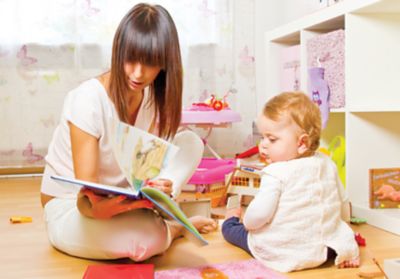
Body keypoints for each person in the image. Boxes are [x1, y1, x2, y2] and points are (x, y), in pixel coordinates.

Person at [40, 3, 217, 261]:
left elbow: (142, 167)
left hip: (123, 196)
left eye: (150, 63)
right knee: (142, 239)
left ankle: (163, 214)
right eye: (130, 59)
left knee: (191, 142)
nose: (138, 73)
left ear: (165, 63)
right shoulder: (88, 99)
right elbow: (88, 203)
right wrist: (135, 205)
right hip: (73, 207)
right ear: (118, 51)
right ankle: (172, 228)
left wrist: (157, 188)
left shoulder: (152, 98)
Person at [222, 92, 359, 272]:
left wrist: (246, 221)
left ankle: (230, 218)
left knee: (233, 230)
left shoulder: (276, 172)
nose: (263, 145)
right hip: (323, 250)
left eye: (272, 139)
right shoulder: (327, 163)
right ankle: (344, 248)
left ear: (302, 143)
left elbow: (258, 217)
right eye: (263, 137)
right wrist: (343, 233)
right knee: (336, 232)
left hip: (283, 250)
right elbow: (343, 203)